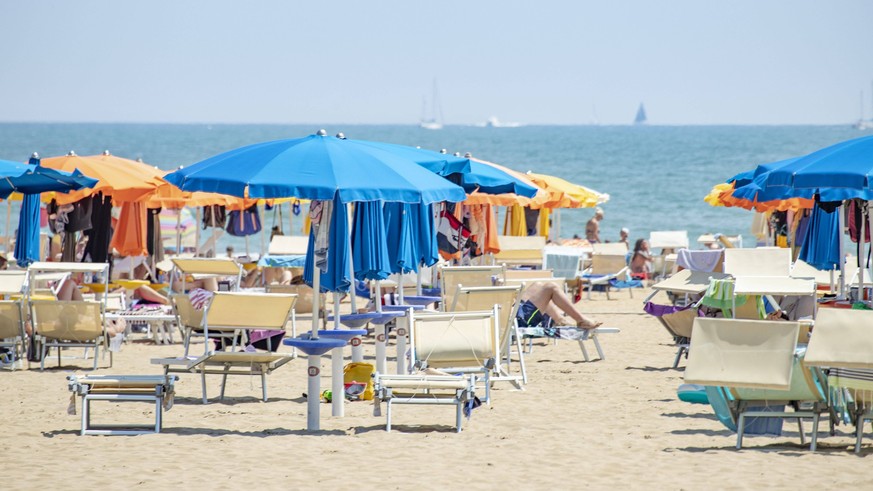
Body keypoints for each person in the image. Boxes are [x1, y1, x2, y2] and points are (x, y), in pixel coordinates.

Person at [516, 281, 602, 329]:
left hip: (513, 313)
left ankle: (560, 321)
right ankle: (581, 320)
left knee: (537, 285)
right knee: (551, 287)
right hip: (517, 321)